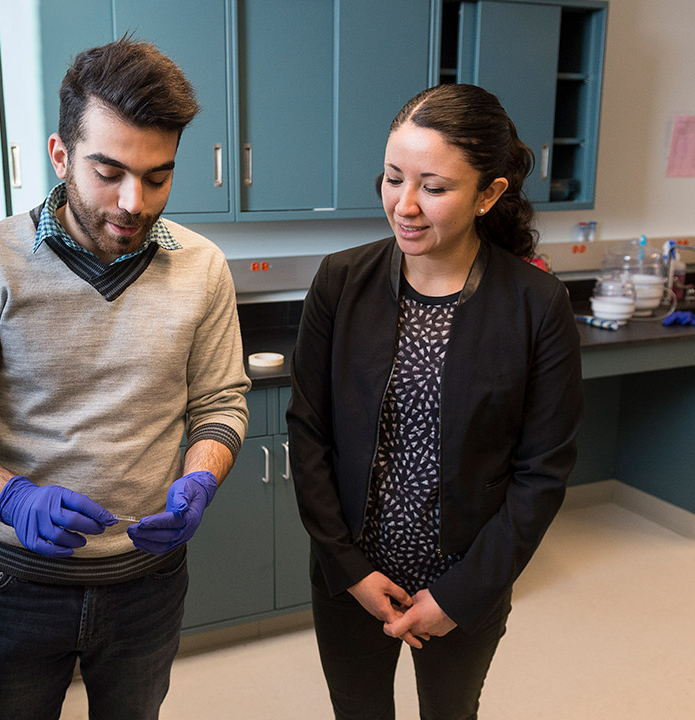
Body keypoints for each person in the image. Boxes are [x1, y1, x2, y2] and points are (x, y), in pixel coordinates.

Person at [0, 37, 250, 720]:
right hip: (17, 583)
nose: (133, 201)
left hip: (147, 582)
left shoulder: (203, 266)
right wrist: (14, 500)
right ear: (60, 156)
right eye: (109, 171)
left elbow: (221, 402)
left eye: (158, 176)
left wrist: (204, 475)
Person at [286, 83, 583, 719]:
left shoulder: (536, 305)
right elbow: (308, 435)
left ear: (489, 194)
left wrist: (460, 595)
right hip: (351, 578)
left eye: (435, 187)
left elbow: (543, 472)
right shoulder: (341, 282)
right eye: (394, 178)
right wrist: (350, 571)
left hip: (465, 582)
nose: (405, 205)